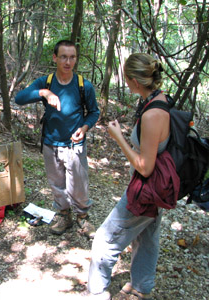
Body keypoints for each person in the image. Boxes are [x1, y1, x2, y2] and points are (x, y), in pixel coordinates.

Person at [86, 53, 170, 300]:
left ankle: (97, 292)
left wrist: (119, 138)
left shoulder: (153, 114)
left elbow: (145, 167)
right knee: (146, 238)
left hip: (147, 190)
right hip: (157, 189)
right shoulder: (157, 99)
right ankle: (141, 288)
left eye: (126, 77)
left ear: (134, 80)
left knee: (104, 240)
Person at [15, 40, 100, 236]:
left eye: (72, 57)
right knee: (57, 183)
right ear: (55, 58)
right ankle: (64, 215)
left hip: (74, 143)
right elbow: (20, 98)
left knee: (78, 183)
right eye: (63, 57)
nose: (68, 62)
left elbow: (94, 112)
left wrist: (85, 128)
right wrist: (44, 93)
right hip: (50, 142)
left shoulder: (83, 86)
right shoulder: (46, 82)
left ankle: (82, 218)